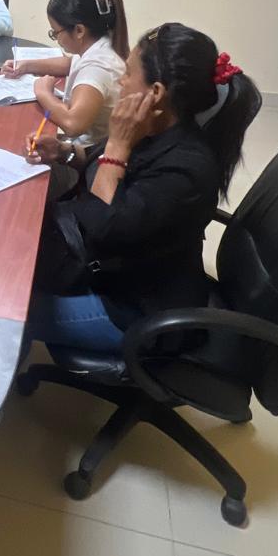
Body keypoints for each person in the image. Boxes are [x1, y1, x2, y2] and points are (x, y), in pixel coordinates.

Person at [24, 23, 261, 353]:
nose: (121, 81)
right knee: (16, 262)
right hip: (115, 270)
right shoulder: (154, 128)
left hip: (135, 310)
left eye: (128, 73)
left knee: (5, 307)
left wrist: (118, 146)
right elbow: (100, 163)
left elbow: (102, 226)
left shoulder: (186, 169)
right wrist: (64, 152)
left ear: (156, 93)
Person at [5, 0, 128, 147]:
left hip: (89, 154)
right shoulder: (97, 44)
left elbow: (72, 124)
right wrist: (26, 65)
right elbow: (69, 63)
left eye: (56, 32)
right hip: (82, 147)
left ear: (79, 30)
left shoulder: (97, 68)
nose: (56, 38)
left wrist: (43, 93)